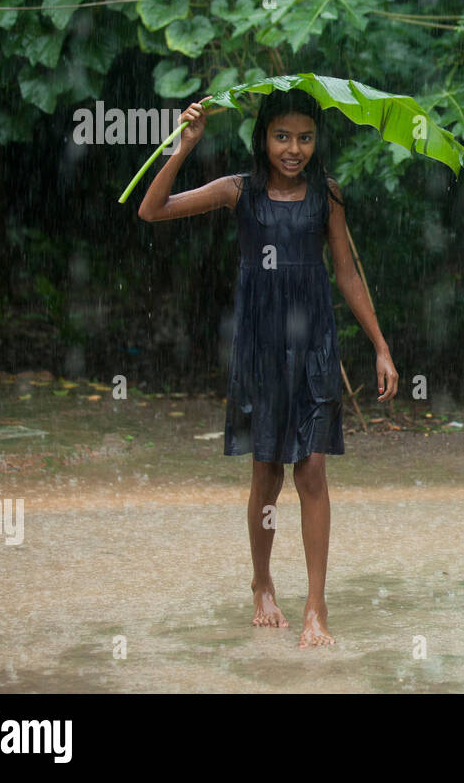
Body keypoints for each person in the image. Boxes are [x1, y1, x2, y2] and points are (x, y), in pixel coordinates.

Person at [138, 90, 399, 648]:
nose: (294, 148)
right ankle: (261, 583)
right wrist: (183, 147)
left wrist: (380, 345)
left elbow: (348, 274)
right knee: (266, 476)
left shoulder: (327, 196)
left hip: (314, 348)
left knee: (312, 474)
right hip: (259, 347)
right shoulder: (239, 191)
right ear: (263, 137)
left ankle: (316, 605)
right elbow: (151, 209)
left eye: (305, 137)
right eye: (282, 136)